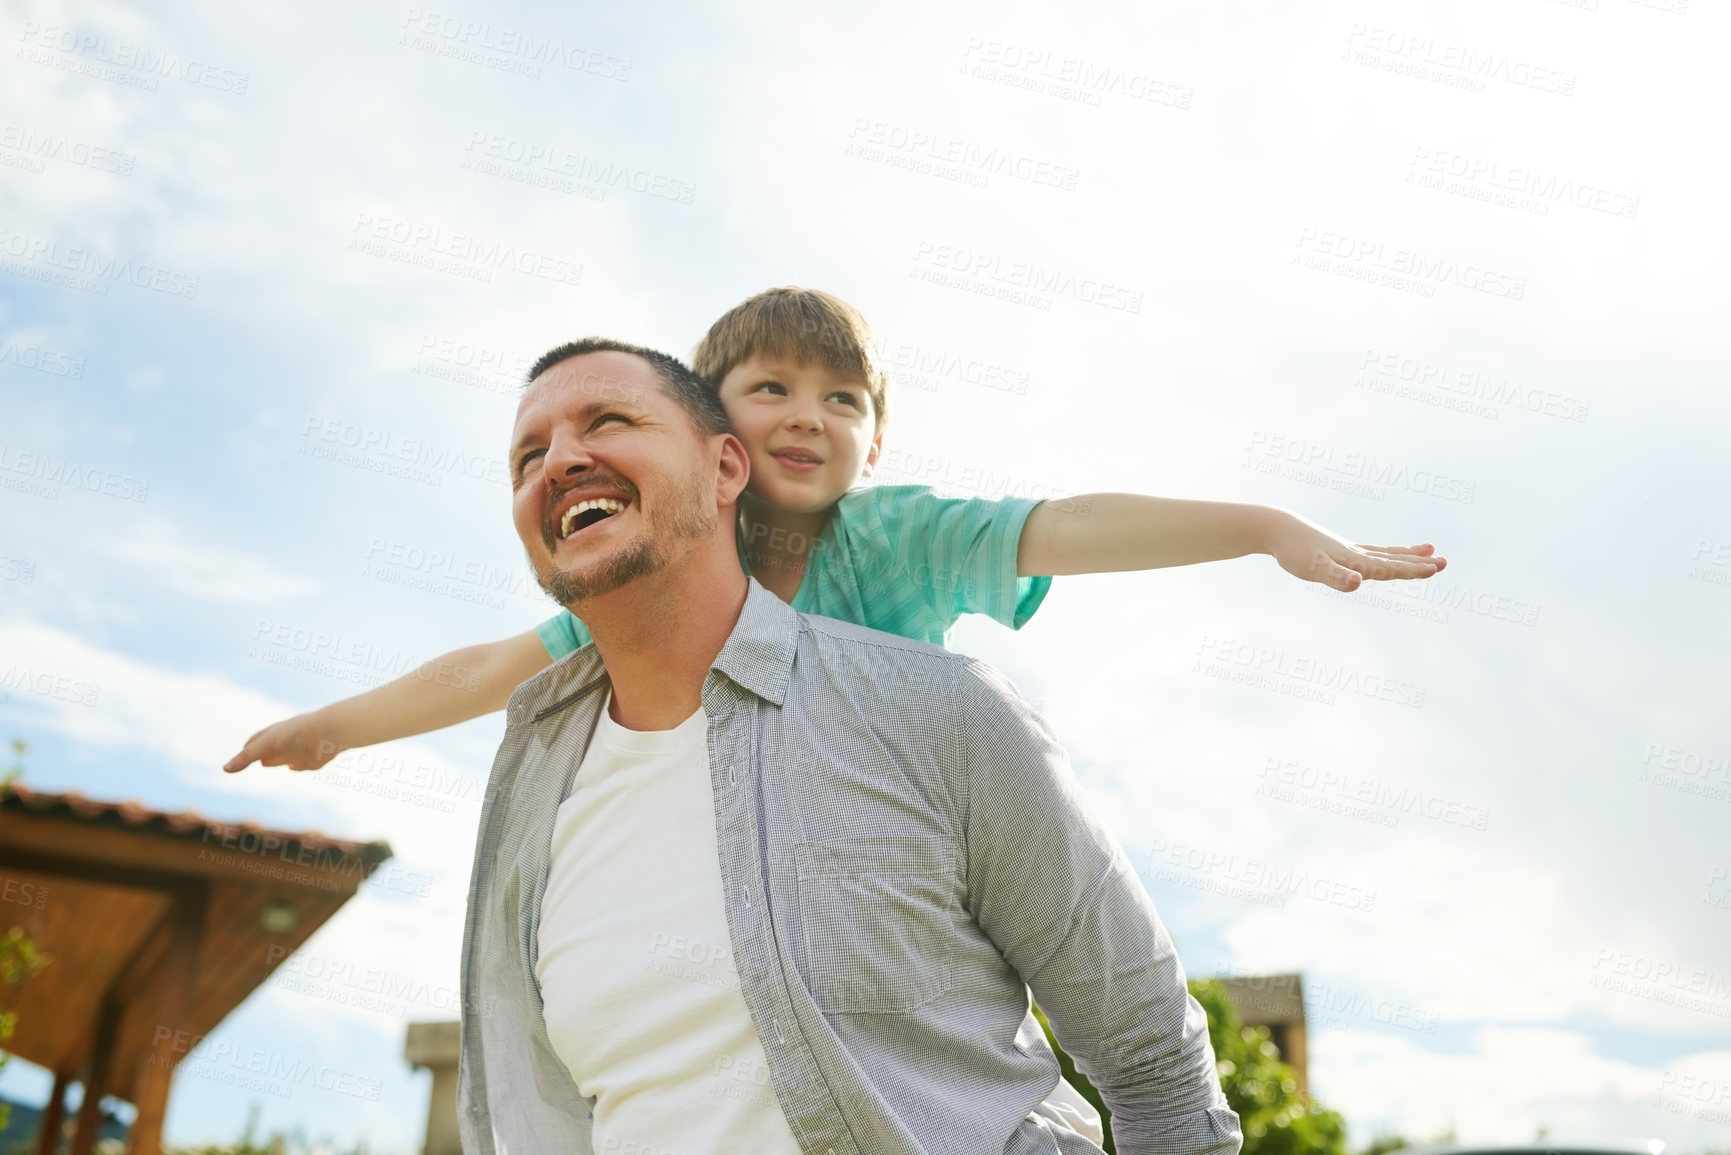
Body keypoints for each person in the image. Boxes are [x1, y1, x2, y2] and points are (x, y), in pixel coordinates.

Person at [459, 336, 1240, 1153]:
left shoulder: (942, 711)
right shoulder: (528, 805)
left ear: (728, 469)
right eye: (526, 458)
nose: (560, 461)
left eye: (608, 420)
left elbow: (1157, 1069)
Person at [224, 288, 1444, 774]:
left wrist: (1265, 526)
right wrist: (340, 727)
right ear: (714, 440)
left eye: (844, 401)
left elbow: (1072, 524)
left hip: (912, 793)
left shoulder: (900, 533)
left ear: (875, 439)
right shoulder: (681, 563)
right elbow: (500, 666)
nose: (810, 416)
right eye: (772, 389)